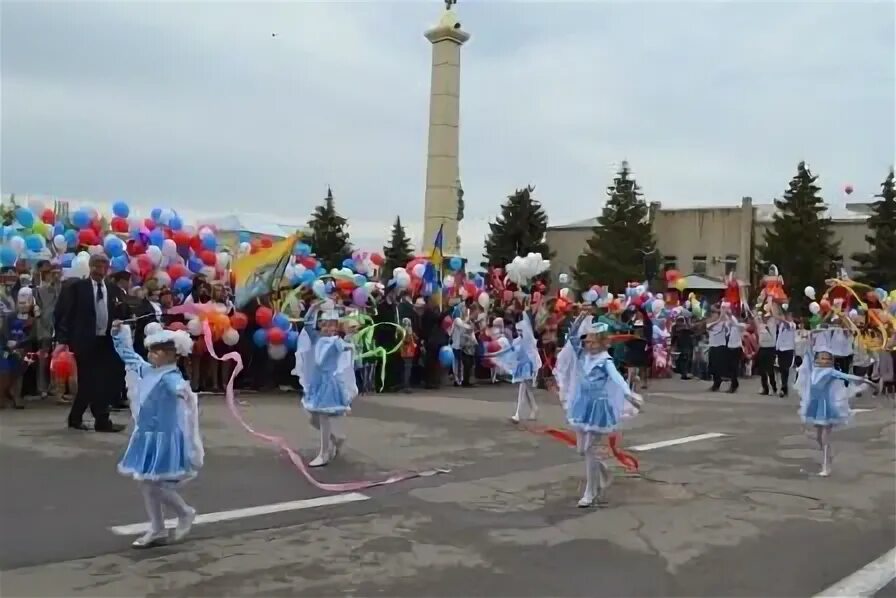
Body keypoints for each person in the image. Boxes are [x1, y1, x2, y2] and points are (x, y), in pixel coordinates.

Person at [112, 320, 202, 548]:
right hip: (147, 436)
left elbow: (181, 389)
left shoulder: (171, 377)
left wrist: (184, 393)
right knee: (146, 483)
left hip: (164, 438)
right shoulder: (148, 370)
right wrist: (117, 334)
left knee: (156, 485)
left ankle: (184, 512)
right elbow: (129, 356)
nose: (151, 355)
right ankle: (158, 527)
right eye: (151, 350)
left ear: (171, 356)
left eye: (157, 351)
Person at [554, 317, 643, 507]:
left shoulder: (605, 361)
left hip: (598, 406)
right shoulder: (583, 355)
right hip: (582, 403)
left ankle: (590, 492)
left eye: (593, 341)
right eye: (588, 341)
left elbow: (617, 378)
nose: (588, 344)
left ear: (602, 343)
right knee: (582, 450)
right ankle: (604, 471)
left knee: (589, 449)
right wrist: (580, 317)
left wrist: (629, 394)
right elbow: (572, 337)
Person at [54, 254, 128, 432]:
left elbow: (121, 311)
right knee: (90, 381)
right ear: (90, 266)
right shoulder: (77, 288)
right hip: (84, 341)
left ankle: (80, 418)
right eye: (96, 265)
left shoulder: (113, 289)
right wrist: (63, 340)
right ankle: (101, 420)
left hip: (106, 341)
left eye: (103, 266)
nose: (99, 269)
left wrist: (120, 319)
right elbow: (64, 314)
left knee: (100, 382)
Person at [796, 333, 872, 476]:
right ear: (817, 359)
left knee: (824, 437)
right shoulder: (813, 369)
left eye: (827, 358)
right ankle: (827, 457)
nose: (824, 360)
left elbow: (847, 376)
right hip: (815, 405)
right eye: (821, 357)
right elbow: (806, 353)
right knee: (819, 437)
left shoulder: (831, 372)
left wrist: (865, 380)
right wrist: (810, 340)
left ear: (831, 360)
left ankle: (826, 466)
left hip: (827, 407)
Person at [293, 305, 357, 467]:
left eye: (332, 325)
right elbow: (307, 323)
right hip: (317, 382)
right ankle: (336, 439)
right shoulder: (317, 338)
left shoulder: (337, 342)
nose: (328, 328)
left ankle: (324, 453)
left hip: (329, 384)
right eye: (325, 324)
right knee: (313, 419)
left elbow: (347, 346)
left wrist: (349, 338)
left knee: (323, 418)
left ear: (336, 327)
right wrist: (313, 307)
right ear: (321, 325)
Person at [491, 307, 541, 423]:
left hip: (527, 366)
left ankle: (518, 414)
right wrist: (495, 354)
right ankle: (534, 407)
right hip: (522, 366)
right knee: (527, 389)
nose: (519, 333)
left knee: (523, 388)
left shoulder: (528, 341)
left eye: (521, 331)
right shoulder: (518, 340)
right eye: (518, 331)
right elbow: (510, 350)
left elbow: (534, 355)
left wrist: (535, 369)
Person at [775, 312, 797, 397]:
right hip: (780, 349)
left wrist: (780, 318)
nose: (786, 317)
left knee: (785, 368)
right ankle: (784, 387)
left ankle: (783, 388)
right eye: (786, 315)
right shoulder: (781, 326)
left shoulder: (792, 325)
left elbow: (787, 324)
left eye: (788, 316)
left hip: (788, 349)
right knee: (781, 368)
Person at [755, 313, 777, 395]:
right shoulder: (760, 325)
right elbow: (755, 317)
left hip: (770, 349)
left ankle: (773, 387)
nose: (764, 318)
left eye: (767, 317)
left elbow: (775, 314)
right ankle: (765, 388)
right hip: (762, 349)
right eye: (763, 316)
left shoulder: (772, 324)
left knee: (770, 369)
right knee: (762, 370)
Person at [399, 317, 418, 393]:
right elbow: (409, 340)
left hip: (404, 352)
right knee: (408, 368)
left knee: (405, 368)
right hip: (409, 352)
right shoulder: (408, 331)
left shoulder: (401, 330)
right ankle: (406, 385)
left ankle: (405, 384)